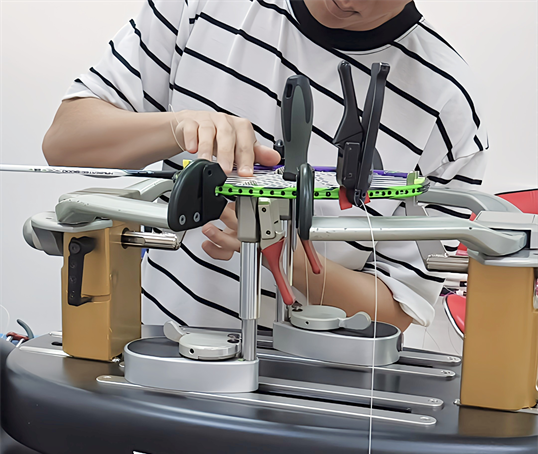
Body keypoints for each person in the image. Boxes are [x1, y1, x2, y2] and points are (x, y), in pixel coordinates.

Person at [42, 0, 487, 333]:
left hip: (312, 400)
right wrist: (175, 128)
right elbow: (64, 141)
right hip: (156, 353)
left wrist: (278, 252)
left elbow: (396, 310)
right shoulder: (203, 4)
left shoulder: (448, 106)